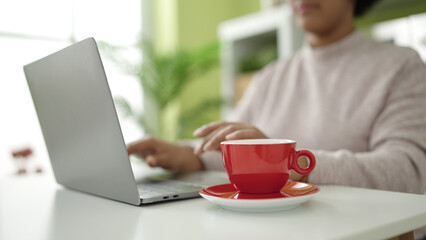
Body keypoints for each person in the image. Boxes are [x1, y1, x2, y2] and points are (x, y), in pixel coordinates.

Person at [128, 0, 426, 194]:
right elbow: (234, 148)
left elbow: (410, 172)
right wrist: (187, 155)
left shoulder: (400, 66)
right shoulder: (270, 77)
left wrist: (283, 161)